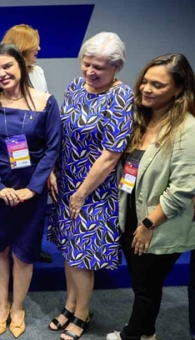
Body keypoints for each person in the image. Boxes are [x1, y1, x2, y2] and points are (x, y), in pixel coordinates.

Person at [47, 32, 134, 340]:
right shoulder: (74, 86)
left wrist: (82, 193)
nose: (91, 72)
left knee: (83, 255)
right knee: (69, 250)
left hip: (94, 190)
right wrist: (52, 171)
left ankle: (82, 313)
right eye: (87, 64)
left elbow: (111, 154)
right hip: (66, 181)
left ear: (117, 67)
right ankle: (71, 305)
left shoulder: (121, 97)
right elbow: (61, 132)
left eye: (100, 67)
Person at [106, 53, 195, 340]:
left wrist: (147, 225)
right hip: (132, 213)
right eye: (145, 81)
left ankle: (133, 335)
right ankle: (148, 333)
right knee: (143, 283)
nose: (146, 88)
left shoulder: (187, 129)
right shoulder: (140, 118)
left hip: (158, 223)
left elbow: (182, 189)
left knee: (147, 286)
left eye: (157, 85)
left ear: (178, 89)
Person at [0, 44, 61, 338]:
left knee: (24, 253)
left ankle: (18, 307)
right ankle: (1, 305)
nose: (1, 73)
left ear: (20, 67)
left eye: (7, 66)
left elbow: (52, 150)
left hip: (31, 194)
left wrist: (32, 189)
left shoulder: (46, 102)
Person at [0, 24, 48, 99]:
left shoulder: (37, 72)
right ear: (24, 47)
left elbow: (46, 104)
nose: (38, 48)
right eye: (34, 45)